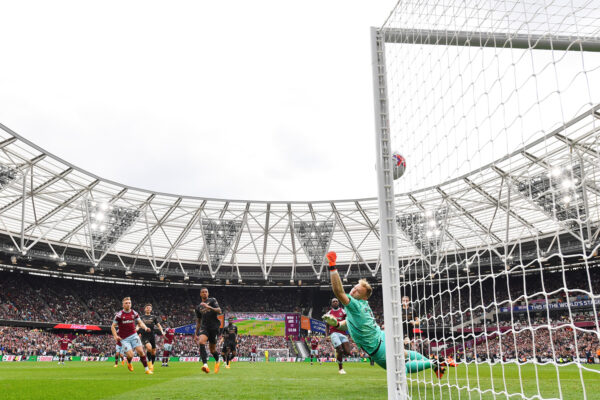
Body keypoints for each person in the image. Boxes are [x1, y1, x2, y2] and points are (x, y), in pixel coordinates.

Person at [322, 251, 452, 378]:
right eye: (355, 287)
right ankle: (435, 366)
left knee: (399, 368)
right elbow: (351, 323)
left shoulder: (355, 305)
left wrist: (332, 266)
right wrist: (338, 324)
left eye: (357, 291)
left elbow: (339, 292)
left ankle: (433, 363)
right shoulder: (363, 305)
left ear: (363, 297)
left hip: (377, 347)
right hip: (382, 337)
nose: (353, 290)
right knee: (405, 353)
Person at [111, 297, 153, 375]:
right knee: (131, 355)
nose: (128, 304)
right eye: (126, 303)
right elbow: (112, 326)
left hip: (134, 335)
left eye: (129, 303)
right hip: (124, 338)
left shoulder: (134, 313)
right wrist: (115, 336)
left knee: (141, 351)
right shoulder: (119, 315)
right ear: (123, 305)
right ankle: (129, 362)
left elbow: (140, 322)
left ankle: (147, 370)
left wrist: (145, 327)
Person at [194, 287, 222, 374]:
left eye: (206, 292)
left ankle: (217, 361)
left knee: (212, 350)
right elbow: (198, 321)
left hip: (214, 327)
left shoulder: (212, 300)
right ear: (200, 294)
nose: (204, 293)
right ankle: (205, 365)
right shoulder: (198, 307)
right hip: (204, 327)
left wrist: (209, 307)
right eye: (203, 292)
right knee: (201, 342)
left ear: (208, 293)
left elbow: (219, 311)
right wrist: (195, 334)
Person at [324, 298, 351, 374]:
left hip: (343, 333)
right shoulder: (329, 313)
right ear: (331, 304)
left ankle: (338, 352)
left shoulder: (343, 311)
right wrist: (327, 336)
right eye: (333, 301)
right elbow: (326, 326)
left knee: (348, 352)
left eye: (336, 301)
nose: (335, 302)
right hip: (334, 333)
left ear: (338, 303)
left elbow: (348, 320)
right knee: (340, 349)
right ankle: (341, 368)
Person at [138, 304, 165, 371]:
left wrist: (162, 331)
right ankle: (149, 362)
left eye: (150, 308)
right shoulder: (141, 317)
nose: (148, 309)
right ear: (145, 309)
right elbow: (138, 325)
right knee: (149, 348)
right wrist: (136, 330)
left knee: (153, 352)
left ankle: (152, 364)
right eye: (147, 307)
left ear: (151, 309)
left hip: (151, 336)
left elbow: (159, 325)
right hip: (144, 335)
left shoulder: (154, 317)